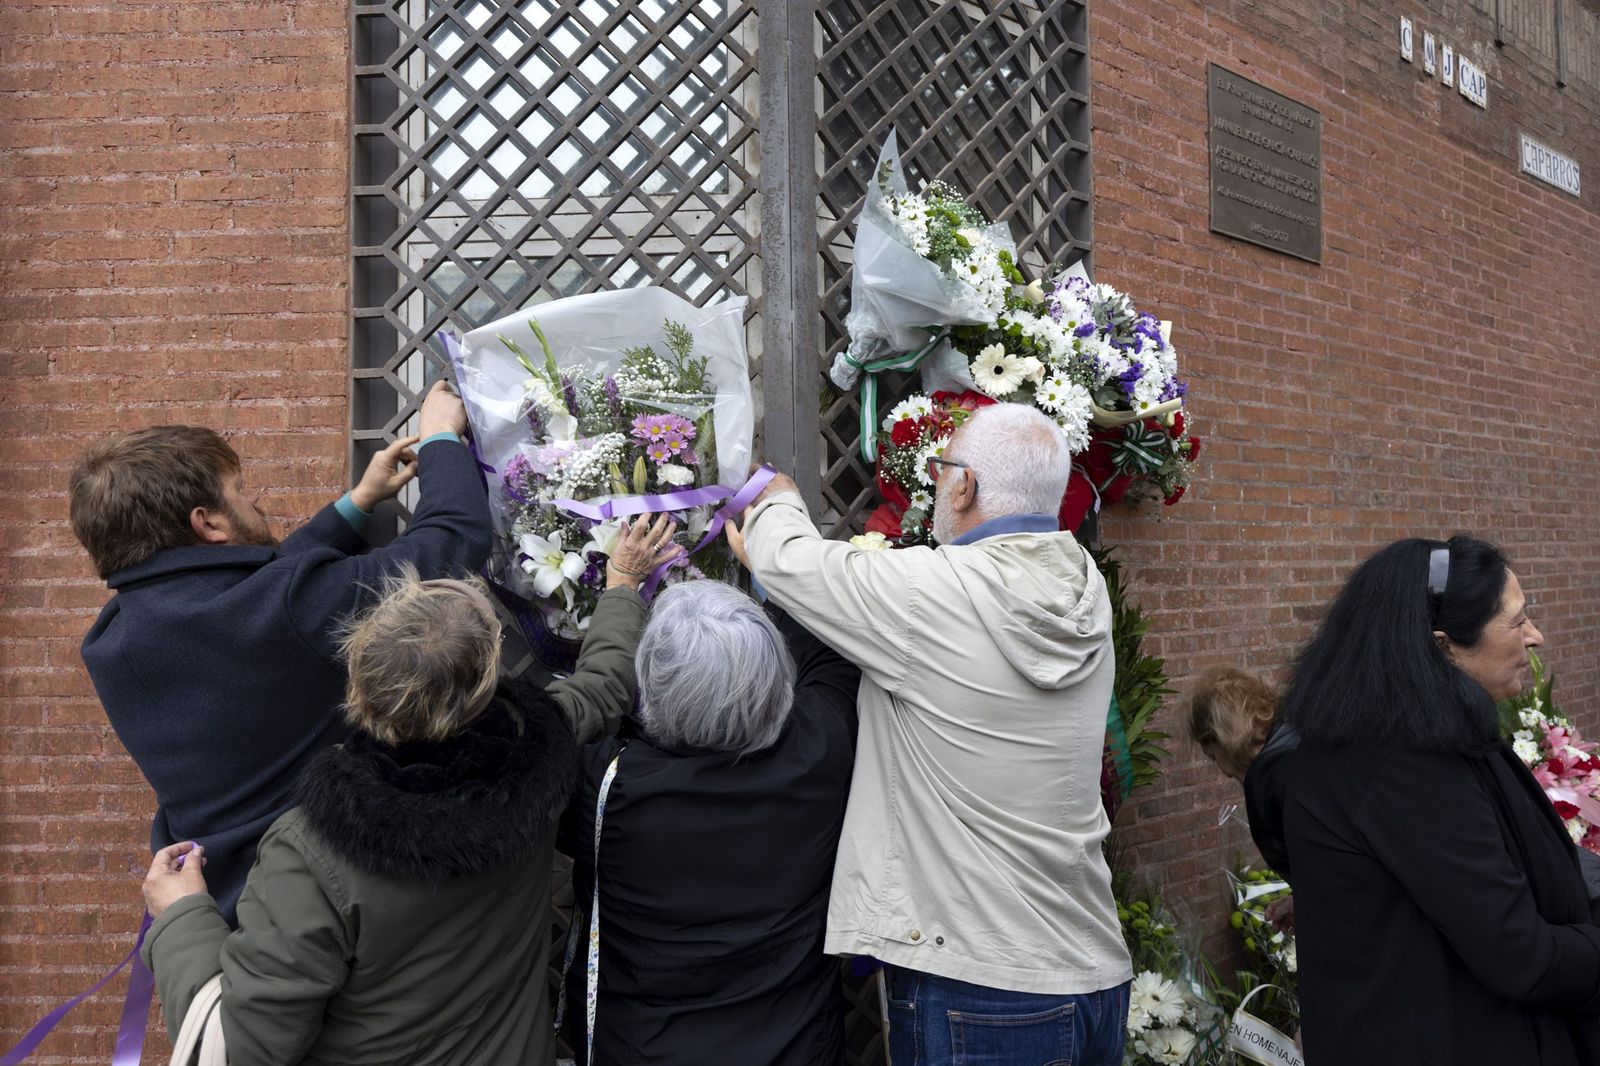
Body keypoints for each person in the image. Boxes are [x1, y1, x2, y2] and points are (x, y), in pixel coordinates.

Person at [137, 516, 680, 1066]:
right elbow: (603, 683)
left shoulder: (312, 851)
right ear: (487, 684)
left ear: (358, 682)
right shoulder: (539, 749)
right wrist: (622, 584)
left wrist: (182, 916)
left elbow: (245, 1049)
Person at [729, 402, 1132, 1066]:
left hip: (981, 983)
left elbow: (788, 562)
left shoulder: (931, 592)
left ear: (964, 485)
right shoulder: (1085, 587)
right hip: (1092, 969)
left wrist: (774, 496)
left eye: (943, 469)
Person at [71, 383, 491, 922]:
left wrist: (357, 503)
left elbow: (248, 595)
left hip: (214, 904)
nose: (254, 501)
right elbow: (453, 539)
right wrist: (439, 439)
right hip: (316, 900)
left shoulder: (112, 637)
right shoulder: (280, 610)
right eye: (239, 491)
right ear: (209, 523)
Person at [1282, 535, 1600, 1065]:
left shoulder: (1422, 739)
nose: (1535, 637)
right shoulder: (1405, 768)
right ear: (1444, 646)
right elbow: (1520, 953)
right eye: (1518, 622)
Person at [558, 580, 861, 1064]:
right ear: (779, 678)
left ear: (648, 687)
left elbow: (550, 733)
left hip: (642, 1050)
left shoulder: (606, 788)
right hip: (795, 1048)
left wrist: (621, 591)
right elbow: (828, 639)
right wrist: (770, 566)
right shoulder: (820, 748)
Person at [1187, 668, 1299, 924]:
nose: (1221, 769)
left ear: (1222, 739)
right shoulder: (1296, 741)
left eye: (1212, 756)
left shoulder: (1272, 777)